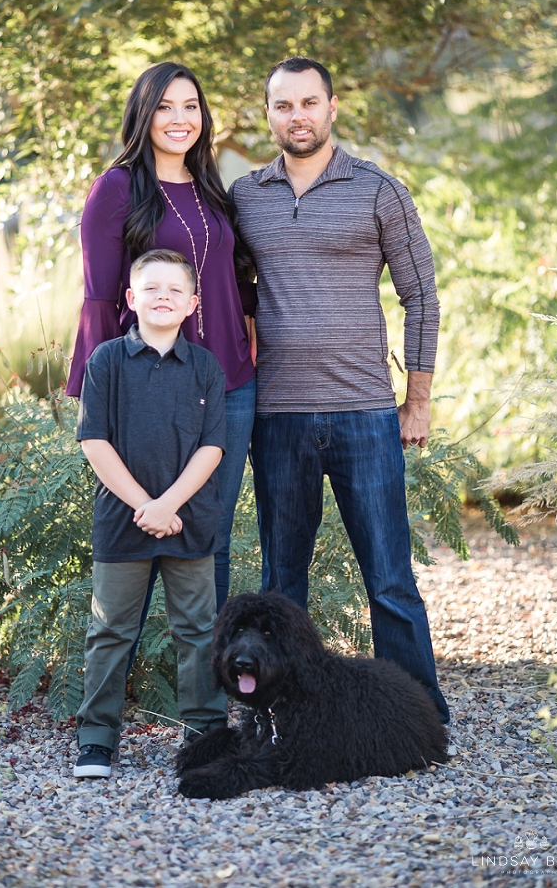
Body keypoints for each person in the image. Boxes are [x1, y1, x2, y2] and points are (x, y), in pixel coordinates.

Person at [231, 55, 449, 723]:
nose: (297, 115)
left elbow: (422, 297)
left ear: (332, 107)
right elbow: (233, 293)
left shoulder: (379, 190)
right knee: (281, 584)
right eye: (282, 105)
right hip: (278, 418)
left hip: (365, 414)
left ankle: (417, 714)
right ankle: (282, 712)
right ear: (267, 114)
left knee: (388, 577)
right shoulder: (245, 197)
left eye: (308, 102)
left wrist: (417, 399)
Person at [66, 61, 258, 613]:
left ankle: (206, 685)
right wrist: (96, 386)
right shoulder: (117, 188)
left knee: (209, 534)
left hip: (230, 383)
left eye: (191, 106)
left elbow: (227, 280)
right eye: (166, 107)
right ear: (143, 115)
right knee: (142, 524)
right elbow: (101, 294)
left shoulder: (210, 189)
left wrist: (262, 328)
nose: (180, 118)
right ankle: (125, 669)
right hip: (149, 383)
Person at [73, 249, 228, 779]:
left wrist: (170, 506)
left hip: (190, 520)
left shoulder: (207, 367)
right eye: (152, 287)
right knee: (111, 629)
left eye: (175, 290)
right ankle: (96, 739)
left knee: (198, 630)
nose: (164, 296)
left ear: (192, 304)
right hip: (122, 520)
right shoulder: (107, 361)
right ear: (130, 298)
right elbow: (94, 440)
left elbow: (212, 449)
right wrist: (145, 505)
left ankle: (205, 735)